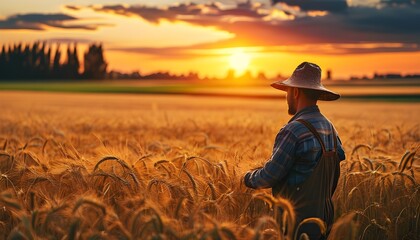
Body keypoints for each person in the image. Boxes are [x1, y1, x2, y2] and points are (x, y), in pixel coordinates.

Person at [243, 62, 346, 240]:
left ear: (296, 92)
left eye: (288, 91)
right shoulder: (330, 128)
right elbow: (338, 160)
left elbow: (269, 175)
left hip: (295, 224)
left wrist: (245, 177)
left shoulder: (293, 131)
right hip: (324, 222)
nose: (287, 97)